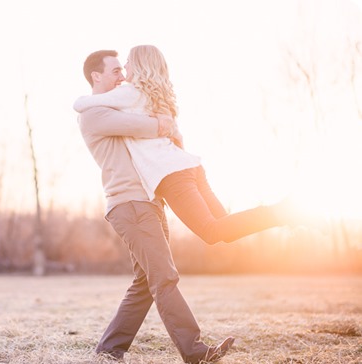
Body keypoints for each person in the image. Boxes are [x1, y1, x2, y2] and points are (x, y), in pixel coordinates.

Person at [76, 49, 234, 364]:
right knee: (164, 277)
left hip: (147, 201)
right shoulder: (96, 115)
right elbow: (146, 126)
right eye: (115, 71)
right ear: (96, 76)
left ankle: (109, 351)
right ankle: (195, 352)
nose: (123, 76)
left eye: (124, 69)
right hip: (130, 202)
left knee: (145, 283)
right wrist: (163, 122)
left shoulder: (118, 104)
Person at [74, 45, 291, 245]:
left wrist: (77, 102)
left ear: (139, 65)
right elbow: (177, 136)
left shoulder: (128, 93)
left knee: (212, 232)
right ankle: (285, 212)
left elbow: (85, 104)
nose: (125, 69)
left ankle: (282, 212)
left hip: (172, 175)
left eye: (128, 62)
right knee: (225, 226)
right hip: (191, 168)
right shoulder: (157, 95)